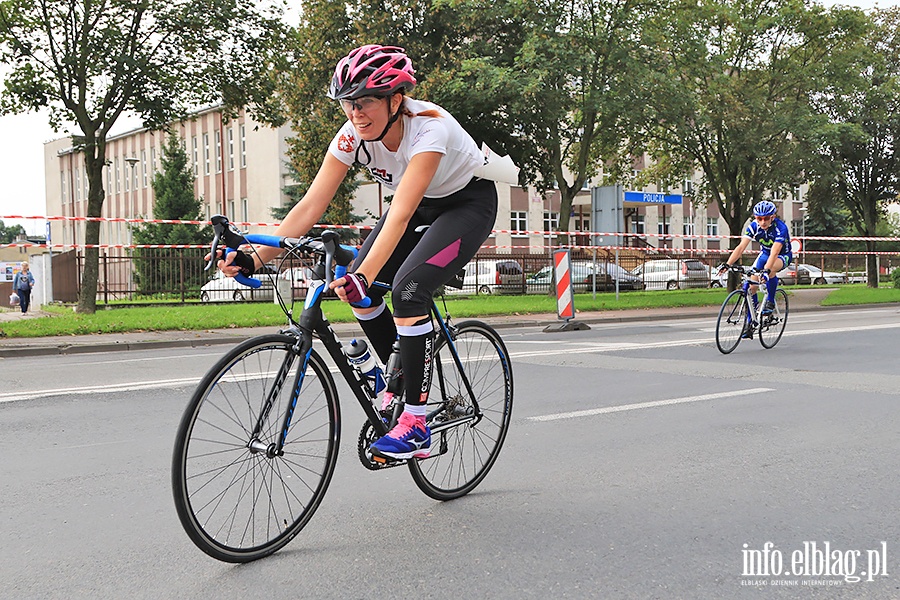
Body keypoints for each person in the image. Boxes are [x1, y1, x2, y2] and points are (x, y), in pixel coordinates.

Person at [216, 44, 498, 460]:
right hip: (418, 204)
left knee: (406, 293)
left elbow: (399, 215)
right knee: (357, 292)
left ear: (395, 100)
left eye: (365, 102)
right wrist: (254, 258)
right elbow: (310, 206)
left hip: (466, 204)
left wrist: (363, 272)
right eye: (348, 104)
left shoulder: (428, 128)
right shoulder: (352, 135)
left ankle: (416, 425)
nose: (355, 113)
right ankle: (394, 384)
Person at [719, 200, 792, 330]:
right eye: (759, 218)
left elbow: (775, 252)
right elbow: (741, 247)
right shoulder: (753, 227)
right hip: (764, 254)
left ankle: (770, 300)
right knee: (751, 286)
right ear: (755, 218)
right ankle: (751, 321)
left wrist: (766, 270)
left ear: (773, 217)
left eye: (766, 218)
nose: (763, 222)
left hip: (782, 255)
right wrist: (728, 264)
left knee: (771, 269)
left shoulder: (781, 228)